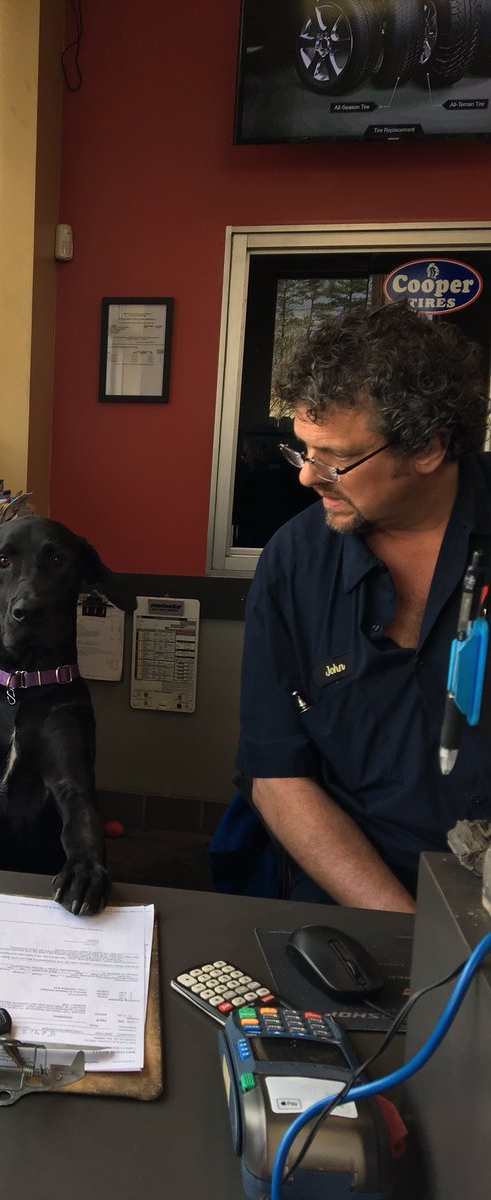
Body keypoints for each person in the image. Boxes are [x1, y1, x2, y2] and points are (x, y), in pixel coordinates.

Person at [236, 302, 491, 913]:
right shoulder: (294, 563)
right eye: (303, 450)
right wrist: (404, 930)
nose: (307, 477)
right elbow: (277, 773)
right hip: (360, 897)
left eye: (334, 458)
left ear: (427, 448)